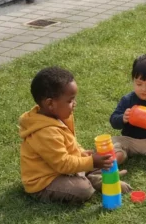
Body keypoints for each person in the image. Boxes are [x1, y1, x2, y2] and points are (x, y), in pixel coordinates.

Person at [19, 66, 131, 203]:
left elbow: (71, 143)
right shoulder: (44, 132)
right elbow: (63, 164)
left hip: (63, 169)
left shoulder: (58, 115)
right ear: (50, 103)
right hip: (46, 181)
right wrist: (90, 162)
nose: (74, 104)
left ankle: (100, 177)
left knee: (99, 158)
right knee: (83, 190)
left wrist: (82, 153)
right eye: (70, 100)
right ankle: (95, 179)